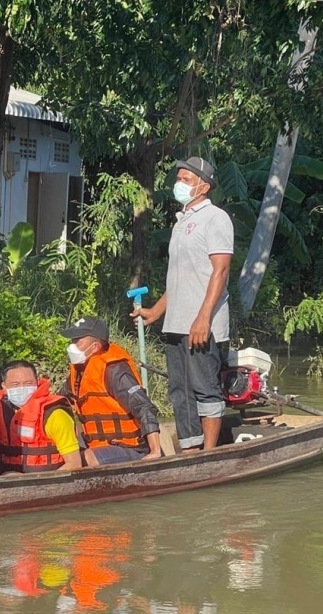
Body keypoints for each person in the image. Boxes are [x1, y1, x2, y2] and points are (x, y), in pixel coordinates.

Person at [131, 156, 233, 452]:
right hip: (176, 323)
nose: (179, 183)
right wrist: (155, 311)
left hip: (202, 324)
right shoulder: (182, 222)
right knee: (180, 392)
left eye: (186, 179)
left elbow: (221, 270)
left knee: (204, 388)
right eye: (178, 178)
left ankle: (210, 452)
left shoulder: (215, 218)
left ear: (203, 186)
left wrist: (203, 319)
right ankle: (190, 450)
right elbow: (179, 280)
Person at [60, 317, 162, 466]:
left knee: (83, 458)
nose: (72, 346)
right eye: (72, 341)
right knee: (67, 453)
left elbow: (143, 406)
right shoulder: (79, 371)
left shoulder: (115, 371)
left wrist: (155, 450)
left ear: (95, 346)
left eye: (78, 341)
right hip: (98, 446)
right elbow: (60, 402)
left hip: (131, 448)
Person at [0, 360, 81, 473]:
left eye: (28, 383)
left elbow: (74, 463)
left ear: (37, 383)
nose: (22, 388)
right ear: (4, 387)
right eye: (15, 384)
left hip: (48, 483)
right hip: (8, 481)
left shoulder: (55, 414)